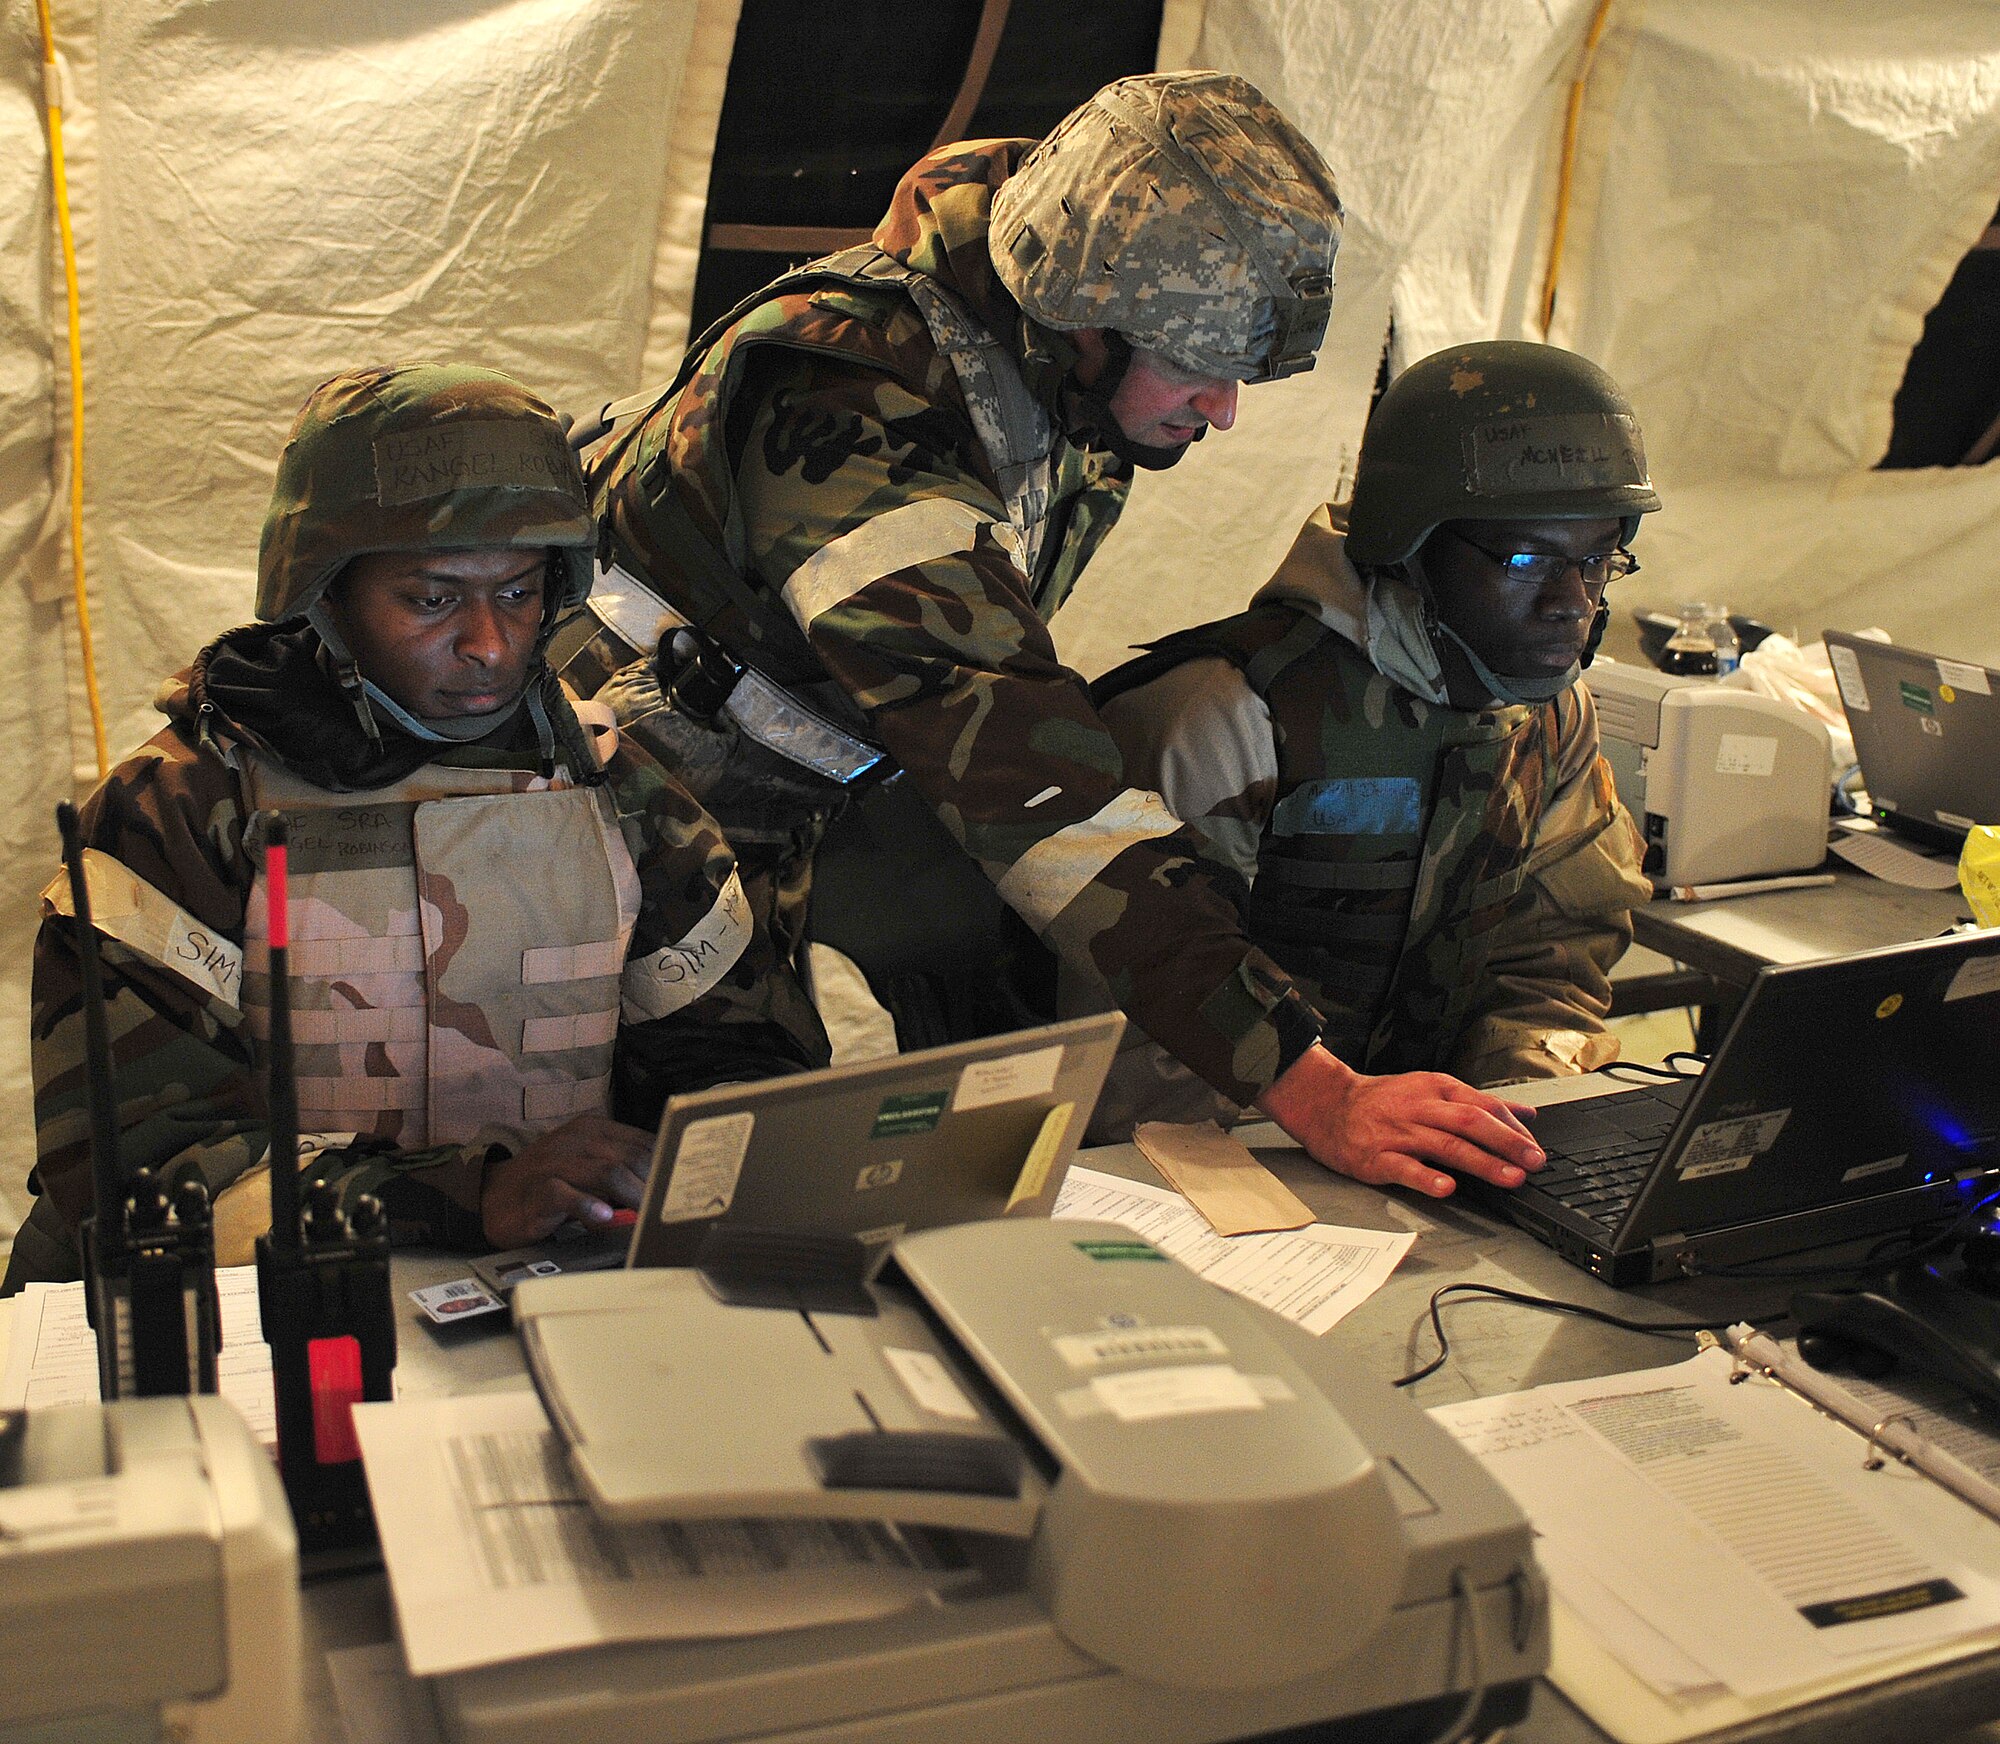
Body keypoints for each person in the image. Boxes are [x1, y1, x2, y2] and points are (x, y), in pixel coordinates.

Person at [562, 72, 1548, 1202]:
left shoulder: (1040, 349)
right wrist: (1313, 1088)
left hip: (804, 786)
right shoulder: (850, 409)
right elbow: (1032, 783)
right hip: (630, 816)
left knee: (961, 1099)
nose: (1221, 411)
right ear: (1084, 319)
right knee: (710, 1172)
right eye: (1198, 365)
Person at [5, 365, 815, 1291]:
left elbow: (747, 1068)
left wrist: (674, 1164)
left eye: (517, 592)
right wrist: (475, 1200)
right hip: (243, 1302)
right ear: (328, 596)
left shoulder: (621, 794)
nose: (489, 642)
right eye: (433, 599)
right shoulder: (181, 811)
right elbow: (137, 1172)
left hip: (540, 1291)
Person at [1080, 340, 1659, 1139]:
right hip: (1218, 1158)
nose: (1574, 603)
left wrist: (1520, 1114)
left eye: (1600, 560)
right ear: (1411, 544)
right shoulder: (1227, 715)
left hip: (1418, 1156)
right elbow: (1132, 1024)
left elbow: (1555, 953)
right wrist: (1325, 1135)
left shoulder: (1552, 715)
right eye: (1529, 557)